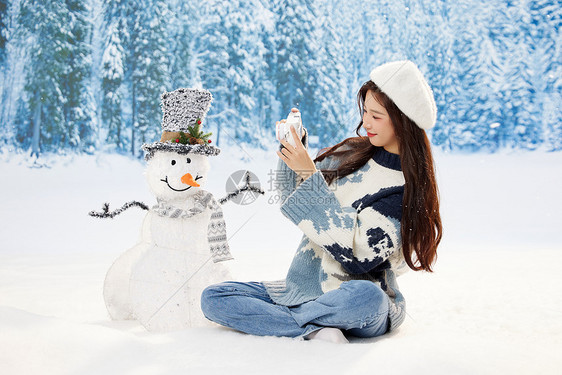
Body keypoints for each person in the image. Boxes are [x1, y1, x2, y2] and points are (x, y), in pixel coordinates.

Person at [201, 60, 442, 343]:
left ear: (403, 120)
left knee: (367, 298)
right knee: (214, 297)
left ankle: (294, 321)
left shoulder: (402, 190)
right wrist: (294, 148)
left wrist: (308, 171)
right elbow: (290, 195)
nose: (366, 123)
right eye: (364, 111)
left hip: (358, 300)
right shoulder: (352, 153)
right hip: (303, 289)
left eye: (376, 116)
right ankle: (313, 326)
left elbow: (357, 257)